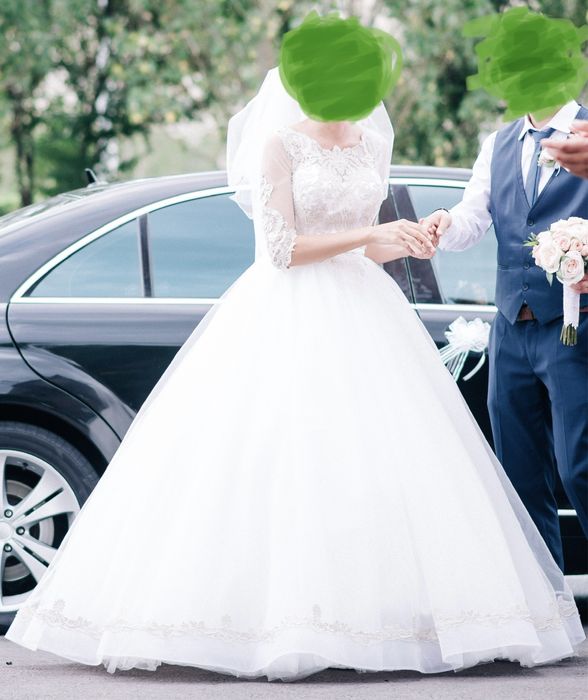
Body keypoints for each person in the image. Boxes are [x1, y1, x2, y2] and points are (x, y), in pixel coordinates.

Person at [4, 13, 584, 682]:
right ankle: (276, 623)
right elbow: (281, 250)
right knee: (286, 461)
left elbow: (372, 239)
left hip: (369, 313)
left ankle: (382, 618)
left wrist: (400, 239)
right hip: (288, 313)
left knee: (381, 466)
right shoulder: (279, 144)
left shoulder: (372, 144)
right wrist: (369, 237)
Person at [422, 101, 588, 572]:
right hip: (511, 328)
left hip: (574, 326)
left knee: (579, 467)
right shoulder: (498, 144)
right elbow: (472, 219)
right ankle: (548, 599)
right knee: (518, 473)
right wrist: (446, 220)